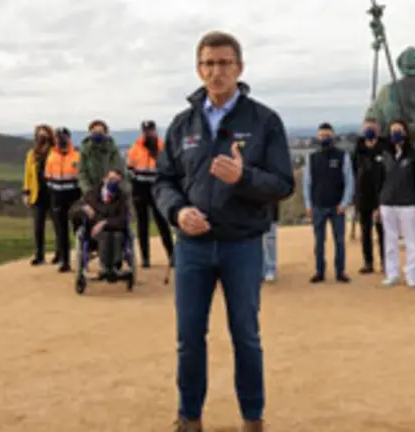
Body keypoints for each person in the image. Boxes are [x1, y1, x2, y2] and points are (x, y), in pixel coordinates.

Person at [153, 31, 294, 432]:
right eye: (209, 64)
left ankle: (252, 420)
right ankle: (189, 418)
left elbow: (283, 184)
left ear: (240, 68)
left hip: (243, 245)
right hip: (193, 248)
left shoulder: (263, 121)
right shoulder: (182, 125)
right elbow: (164, 181)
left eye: (225, 63)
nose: (217, 71)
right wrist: (178, 212)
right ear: (199, 69)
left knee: (246, 337)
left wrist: (243, 176)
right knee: (189, 338)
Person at [376, 120, 415, 288]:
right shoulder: (385, 154)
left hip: (408, 204)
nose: (396, 133)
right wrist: (378, 203)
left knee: (411, 241)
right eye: (393, 131)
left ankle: (411, 275)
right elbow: (379, 181)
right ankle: (392, 274)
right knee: (390, 240)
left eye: (399, 130)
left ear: (405, 132)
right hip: (387, 203)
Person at [303, 122, 354, 283]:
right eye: (322, 135)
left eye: (328, 135)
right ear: (318, 137)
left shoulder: (342, 156)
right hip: (318, 206)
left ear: (333, 136)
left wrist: (344, 203)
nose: (325, 138)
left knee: (339, 241)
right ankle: (319, 272)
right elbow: (307, 183)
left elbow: (349, 181)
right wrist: (308, 205)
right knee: (319, 242)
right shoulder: (312, 158)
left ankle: (341, 272)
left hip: (337, 207)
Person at [127, 120, 174, 268]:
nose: (148, 133)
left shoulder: (163, 148)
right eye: (146, 131)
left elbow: (168, 168)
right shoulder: (135, 148)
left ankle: (172, 255)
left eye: (151, 130)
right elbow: (130, 168)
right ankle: (145, 258)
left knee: (162, 222)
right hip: (140, 188)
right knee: (142, 224)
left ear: (155, 131)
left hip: (157, 187)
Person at [73, 169, 129, 277]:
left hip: (114, 230)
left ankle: (114, 267)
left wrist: (105, 223)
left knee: (115, 235)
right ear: (104, 179)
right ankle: (105, 267)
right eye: (111, 179)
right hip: (94, 232)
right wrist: (84, 208)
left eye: (117, 181)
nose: (113, 183)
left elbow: (123, 219)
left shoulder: (122, 197)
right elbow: (73, 211)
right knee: (104, 235)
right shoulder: (91, 194)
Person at [353, 118, 388, 274]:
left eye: (373, 128)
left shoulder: (385, 149)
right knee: (365, 231)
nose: (370, 131)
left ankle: (385, 262)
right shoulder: (357, 150)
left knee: (383, 232)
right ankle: (368, 262)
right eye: (367, 128)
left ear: (379, 130)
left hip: (382, 197)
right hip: (363, 197)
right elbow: (353, 172)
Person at [45, 127, 81, 272]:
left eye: (63, 137)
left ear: (69, 138)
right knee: (61, 230)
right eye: (57, 137)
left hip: (74, 196)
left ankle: (81, 258)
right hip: (57, 197)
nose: (60, 140)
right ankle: (64, 261)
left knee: (78, 228)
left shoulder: (77, 156)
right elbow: (48, 176)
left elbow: (80, 177)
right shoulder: (51, 156)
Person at [22, 124, 58, 265]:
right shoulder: (32, 153)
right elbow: (28, 174)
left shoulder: (55, 152)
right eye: (39, 134)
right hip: (37, 194)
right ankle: (39, 255)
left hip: (54, 193)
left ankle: (60, 253)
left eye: (45, 134)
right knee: (38, 226)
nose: (42, 137)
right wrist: (26, 191)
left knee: (57, 225)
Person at [79, 120, 126, 194]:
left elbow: (119, 168)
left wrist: (114, 178)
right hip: (91, 190)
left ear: (105, 133)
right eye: (94, 132)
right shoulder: (85, 150)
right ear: (90, 133)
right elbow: (82, 173)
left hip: (110, 190)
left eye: (100, 132)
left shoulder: (112, 149)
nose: (97, 135)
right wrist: (87, 190)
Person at [261, 203, 279, 282]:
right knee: (257, 241)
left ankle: (271, 268)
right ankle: (261, 269)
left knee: (270, 240)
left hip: (270, 209)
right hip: (254, 212)